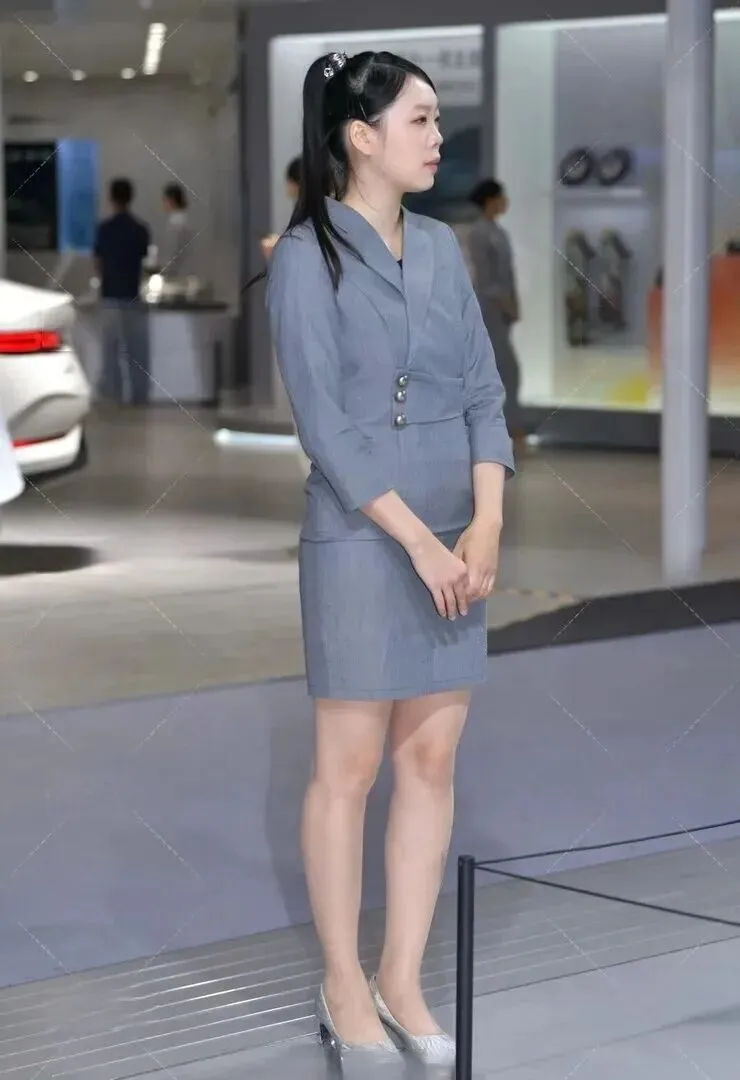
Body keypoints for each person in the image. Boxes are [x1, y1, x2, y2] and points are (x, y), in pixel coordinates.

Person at [259, 51, 514, 1067]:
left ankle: (400, 976)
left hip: (457, 538)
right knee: (349, 769)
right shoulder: (305, 257)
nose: (437, 137)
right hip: (365, 540)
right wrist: (418, 543)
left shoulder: (444, 246)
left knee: (431, 761)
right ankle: (340, 981)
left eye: (436, 120)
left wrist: (485, 523)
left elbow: (483, 393)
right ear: (361, 137)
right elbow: (324, 426)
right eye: (419, 119)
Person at [468, 179, 525, 448]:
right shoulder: (480, 233)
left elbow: (507, 274)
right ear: (490, 200)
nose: (506, 202)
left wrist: (514, 304)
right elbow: (485, 278)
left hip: (503, 311)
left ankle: (507, 428)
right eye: (501, 197)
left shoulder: (499, 232)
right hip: (489, 310)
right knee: (508, 370)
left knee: (505, 370)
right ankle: (510, 428)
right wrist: (504, 302)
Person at [94, 178, 151, 405]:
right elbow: (145, 261)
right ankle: (138, 395)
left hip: (109, 295)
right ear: (131, 197)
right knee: (136, 351)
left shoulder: (104, 229)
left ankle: (113, 394)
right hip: (132, 294)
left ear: (111, 198)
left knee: (110, 350)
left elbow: (98, 263)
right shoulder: (141, 229)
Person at [160, 182, 197, 279]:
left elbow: (172, 251)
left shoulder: (175, 222)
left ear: (171, 200)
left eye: (165, 200)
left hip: (177, 275)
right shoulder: (185, 219)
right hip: (187, 271)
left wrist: (165, 271)